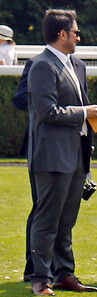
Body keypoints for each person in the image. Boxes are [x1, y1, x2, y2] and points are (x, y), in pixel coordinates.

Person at [27, 9, 97, 296]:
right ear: (62, 34)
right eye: (76, 32)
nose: (78, 36)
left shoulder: (77, 64)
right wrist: (85, 111)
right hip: (52, 156)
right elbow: (47, 112)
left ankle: (64, 274)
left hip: (76, 153)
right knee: (47, 220)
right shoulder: (42, 66)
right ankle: (39, 279)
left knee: (67, 220)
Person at [13, 59, 36, 280]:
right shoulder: (36, 64)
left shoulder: (76, 64)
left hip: (69, 146)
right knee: (41, 207)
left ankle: (61, 269)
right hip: (41, 146)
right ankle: (34, 269)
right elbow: (19, 98)